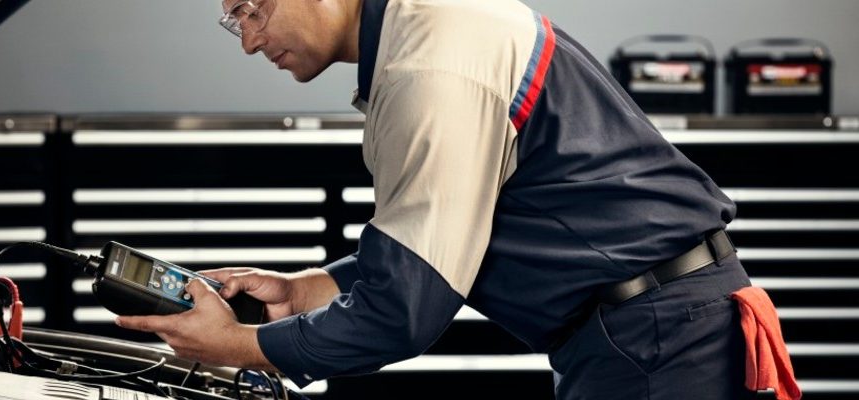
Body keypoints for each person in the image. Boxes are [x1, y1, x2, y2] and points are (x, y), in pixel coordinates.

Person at [117, 0, 798, 398]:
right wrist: (305, 291)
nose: (249, 40)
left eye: (252, 8)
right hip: (657, 331)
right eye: (232, 18)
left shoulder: (429, 68)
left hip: (661, 345)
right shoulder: (431, 29)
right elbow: (457, 232)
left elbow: (403, 314)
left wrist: (240, 346)